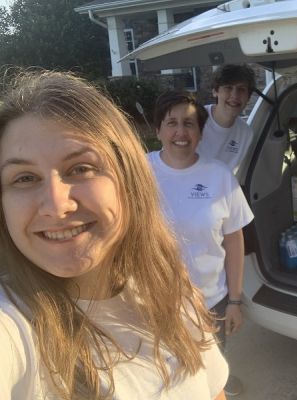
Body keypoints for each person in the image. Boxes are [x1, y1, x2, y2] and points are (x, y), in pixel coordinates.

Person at [0, 71, 228, 400]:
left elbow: (213, 391)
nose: (56, 205)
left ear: (127, 178)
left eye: (80, 168)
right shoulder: (13, 327)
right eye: (23, 178)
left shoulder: (169, 289)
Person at [148, 91, 254, 396]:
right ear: (158, 130)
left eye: (189, 124)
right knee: (164, 383)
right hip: (153, 304)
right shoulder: (140, 173)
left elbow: (234, 240)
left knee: (209, 380)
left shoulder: (220, 176)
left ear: (200, 132)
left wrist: (234, 301)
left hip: (209, 302)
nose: (180, 132)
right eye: (171, 123)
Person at [196, 63, 256, 174]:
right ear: (215, 91)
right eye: (228, 87)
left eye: (241, 89)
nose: (235, 95)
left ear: (248, 97)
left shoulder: (246, 134)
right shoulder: (194, 119)